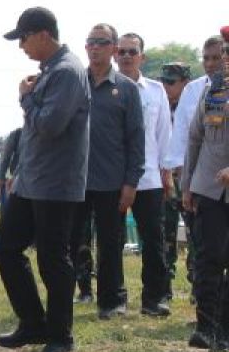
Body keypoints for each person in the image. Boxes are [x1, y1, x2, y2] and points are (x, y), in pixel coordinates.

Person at [0, 7, 90, 352]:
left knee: (53, 258)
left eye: (24, 37)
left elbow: (50, 125)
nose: (21, 46)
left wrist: (25, 98)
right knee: (5, 246)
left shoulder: (67, 72)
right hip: (32, 181)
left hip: (56, 183)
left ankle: (60, 335)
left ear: (44, 35)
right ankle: (33, 322)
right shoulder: (51, 71)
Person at [70, 23, 145, 319]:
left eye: (102, 42)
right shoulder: (75, 83)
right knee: (74, 239)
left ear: (113, 49)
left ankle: (112, 300)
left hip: (112, 180)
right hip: (75, 179)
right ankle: (80, 291)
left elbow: (136, 138)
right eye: (90, 42)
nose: (95, 47)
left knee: (110, 242)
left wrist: (131, 182)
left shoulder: (126, 89)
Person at [115, 32, 173, 316]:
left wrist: (167, 172)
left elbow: (164, 133)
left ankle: (154, 299)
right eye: (122, 51)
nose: (126, 56)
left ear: (142, 57)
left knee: (153, 239)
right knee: (112, 240)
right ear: (115, 55)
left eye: (132, 51)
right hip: (113, 177)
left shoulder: (155, 90)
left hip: (149, 177)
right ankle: (115, 300)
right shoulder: (103, 88)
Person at [181, 49, 229, 352]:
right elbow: (197, 137)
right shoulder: (215, 91)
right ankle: (206, 329)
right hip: (210, 188)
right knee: (208, 257)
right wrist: (187, 185)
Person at [160, 62, 192, 298]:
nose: (166, 86)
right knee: (166, 234)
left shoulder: (195, 106)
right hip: (167, 180)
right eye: (164, 81)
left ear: (185, 83)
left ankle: (198, 285)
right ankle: (165, 284)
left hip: (190, 179)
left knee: (195, 235)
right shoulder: (161, 106)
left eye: (171, 82)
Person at [0, 128, 21, 212]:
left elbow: (6, 158)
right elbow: (6, 158)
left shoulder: (17, 134)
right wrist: (1, 179)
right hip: (16, 181)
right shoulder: (17, 134)